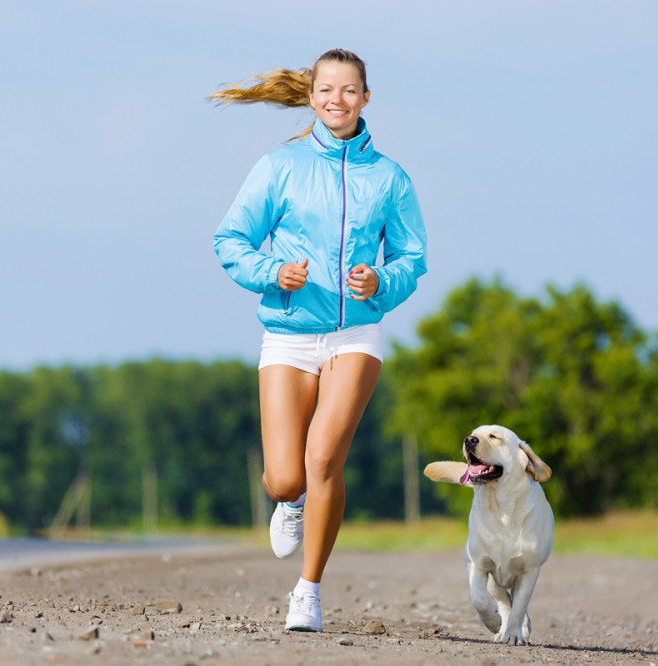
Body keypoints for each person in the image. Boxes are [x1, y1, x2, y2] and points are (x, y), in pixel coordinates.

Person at [209, 49, 427, 633]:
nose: (337, 100)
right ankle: (290, 502)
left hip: (356, 333)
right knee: (287, 475)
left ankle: (308, 591)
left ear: (365, 98)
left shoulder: (389, 177)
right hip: (287, 334)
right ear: (311, 97)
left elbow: (412, 257)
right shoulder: (278, 167)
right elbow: (231, 239)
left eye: (349, 90)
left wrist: (382, 280)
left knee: (325, 458)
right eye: (326, 90)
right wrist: (271, 272)